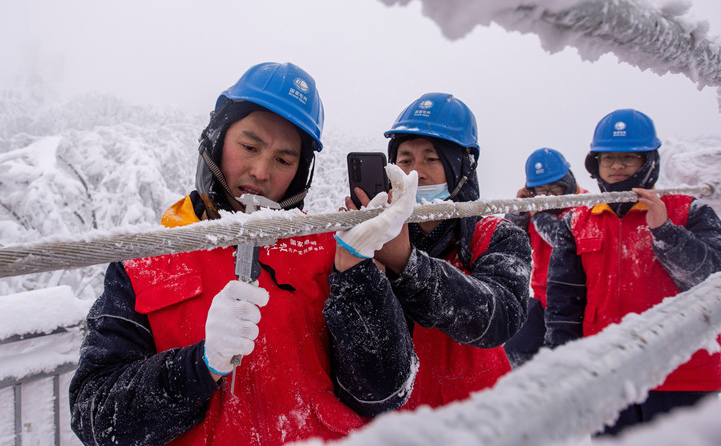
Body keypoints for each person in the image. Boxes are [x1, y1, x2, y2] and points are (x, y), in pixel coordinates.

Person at [69, 62, 417, 446]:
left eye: (284, 160)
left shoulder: (330, 251)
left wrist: (357, 272)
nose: (261, 171)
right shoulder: (146, 262)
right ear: (217, 141)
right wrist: (200, 365)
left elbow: (386, 393)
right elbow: (96, 418)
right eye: (249, 147)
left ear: (300, 174)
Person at [345, 92, 532, 409]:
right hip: (396, 422)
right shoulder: (375, 238)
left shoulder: (497, 236)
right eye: (404, 160)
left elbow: (500, 317)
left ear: (463, 167)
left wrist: (407, 263)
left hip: (478, 417)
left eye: (432, 159)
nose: (415, 172)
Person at [545, 108, 721, 436]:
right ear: (595, 164)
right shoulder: (576, 221)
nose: (618, 166)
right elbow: (563, 307)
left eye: (630, 157)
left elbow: (711, 281)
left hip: (685, 376)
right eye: (608, 158)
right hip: (607, 376)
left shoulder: (690, 210)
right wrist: (563, 371)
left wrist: (666, 231)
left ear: (649, 162)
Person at [503, 147, 586, 368]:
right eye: (541, 191)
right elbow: (510, 241)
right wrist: (518, 210)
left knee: (562, 362)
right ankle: (529, 393)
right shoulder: (533, 207)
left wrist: (537, 213)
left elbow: (562, 240)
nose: (548, 197)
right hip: (541, 296)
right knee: (513, 348)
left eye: (554, 189)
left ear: (567, 181)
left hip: (576, 302)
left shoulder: (587, 205)